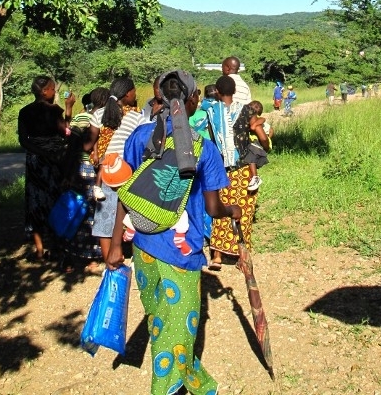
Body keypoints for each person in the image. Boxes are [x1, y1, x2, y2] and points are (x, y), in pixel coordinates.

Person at [106, 70, 241, 395]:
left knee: (161, 320)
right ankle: (165, 388)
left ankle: (195, 382)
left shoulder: (140, 137)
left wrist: (115, 244)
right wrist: (233, 211)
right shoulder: (204, 148)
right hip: (182, 250)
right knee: (176, 325)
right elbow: (213, 208)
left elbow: (125, 191)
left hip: (143, 245)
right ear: (192, 100)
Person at [18, 76, 75, 261]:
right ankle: (57, 246)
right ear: (44, 92)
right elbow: (66, 133)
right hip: (53, 160)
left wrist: (38, 151)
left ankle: (40, 249)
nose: (54, 91)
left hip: (35, 161)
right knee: (55, 199)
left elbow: (23, 140)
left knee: (35, 202)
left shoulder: (25, 112)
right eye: (52, 89)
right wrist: (68, 108)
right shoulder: (54, 111)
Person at [207, 75, 258, 271]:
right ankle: (242, 256)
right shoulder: (246, 110)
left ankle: (217, 256)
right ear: (235, 91)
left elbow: (211, 138)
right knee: (244, 211)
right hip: (243, 168)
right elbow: (257, 129)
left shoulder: (211, 111)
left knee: (221, 208)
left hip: (221, 169)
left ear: (218, 92)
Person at [91, 76, 143, 262]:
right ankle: (132, 256)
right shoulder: (137, 117)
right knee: (132, 216)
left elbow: (90, 142)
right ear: (128, 94)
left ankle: (109, 260)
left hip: (106, 173)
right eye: (134, 91)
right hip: (128, 172)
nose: (135, 94)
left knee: (105, 216)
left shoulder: (99, 114)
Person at [60, 87, 110, 273]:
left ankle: (70, 256)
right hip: (98, 171)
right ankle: (92, 258)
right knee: (94, 213)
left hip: (80, 169)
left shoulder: (81, 117)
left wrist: (67, 173)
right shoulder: (106, 119)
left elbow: (71, 144)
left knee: (76, 212)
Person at [240, 100, 272, 192]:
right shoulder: (257, 119)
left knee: (251, 156)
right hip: (258, 142)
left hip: (257, 142)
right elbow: (271, 130)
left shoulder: (258, 119)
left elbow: (257, 127)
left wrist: (267, 138)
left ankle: (255, 177)